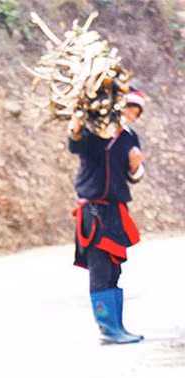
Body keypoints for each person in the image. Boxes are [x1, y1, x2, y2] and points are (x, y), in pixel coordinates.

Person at [68, 88, 147, 345]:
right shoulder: (95, 130)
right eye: (129, 108)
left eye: (136, 112)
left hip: (115, 210)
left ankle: (118, 326)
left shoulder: (129, 137)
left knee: (114, 269)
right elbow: (75, 143)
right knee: (100, 270)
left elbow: (133, 175)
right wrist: (76, 121)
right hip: (93, 211)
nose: (131, 115)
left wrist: (135, 165)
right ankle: (107, 328)